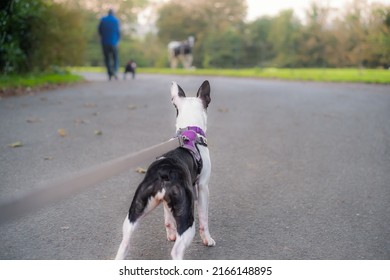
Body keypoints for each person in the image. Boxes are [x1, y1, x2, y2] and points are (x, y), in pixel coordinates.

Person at [98, 9, 121, 80]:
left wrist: (103, 37)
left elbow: (99, 30)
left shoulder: (103, 20)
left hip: (105, 42)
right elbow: (118, 32)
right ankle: (114, 70)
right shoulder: (116, 20)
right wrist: (118, 40)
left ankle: (109, 73)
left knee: (107, 58)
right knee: (115, 58)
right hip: (114, 42)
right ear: (113, 13)